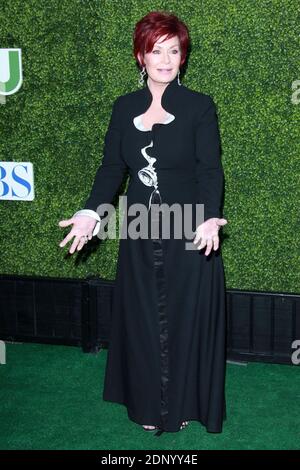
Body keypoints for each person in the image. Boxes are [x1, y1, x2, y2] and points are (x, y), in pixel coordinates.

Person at [58, 11, 228, 436]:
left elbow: (210, 170)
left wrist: (209, 218)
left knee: (186, 319)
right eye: (156, 50)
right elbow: (112, 169)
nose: (166, 59)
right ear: (141, 56)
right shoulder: (124, 108)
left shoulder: (199, 106)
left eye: (174, 50)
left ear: (183, 57)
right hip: (138, 226)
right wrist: (90, 211)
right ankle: (148, 404)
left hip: (190, 229)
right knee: (144, 318)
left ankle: (185, 403)